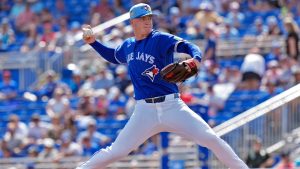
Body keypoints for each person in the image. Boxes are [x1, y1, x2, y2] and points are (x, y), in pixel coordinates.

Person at [77, 3, 248, 169]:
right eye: (143, 18)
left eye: (150, 17)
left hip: (172, 106)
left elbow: (188, 46)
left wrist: (195, 58)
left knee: (210, 139)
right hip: (144, 111)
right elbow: (113, 56)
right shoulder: (128, 45)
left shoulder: (159, 38)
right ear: (133, 22)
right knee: (116, 151)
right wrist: (93, 42)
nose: (148, 21)